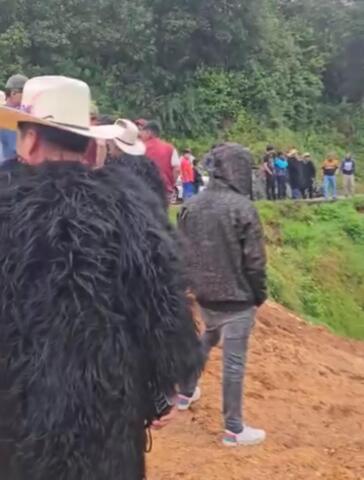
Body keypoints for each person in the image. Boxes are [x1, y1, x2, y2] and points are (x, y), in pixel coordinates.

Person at [0, 76, 201, 480]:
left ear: (31, 141)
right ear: (91, 145)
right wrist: (164, 393)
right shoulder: (131, 210)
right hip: (105, 426)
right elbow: (166, 316)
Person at [178, 143, 267, 447]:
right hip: (237, 297)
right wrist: (259, 295)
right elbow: (255, 261)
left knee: (208, 337)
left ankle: (184, 391)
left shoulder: (191, 205)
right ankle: (233, 429)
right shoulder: (243, 208)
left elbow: (183, 252)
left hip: (204, 294)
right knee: (233, 363)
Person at [140, 120, 180, 202]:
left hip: (145, 187)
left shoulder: (141, 148)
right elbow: (177, 169)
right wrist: (171, 183)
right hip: (165, 189)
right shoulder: (170, 148)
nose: (140, 134)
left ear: (148, 132)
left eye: (142, 131)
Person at [0, 74, 28, 163]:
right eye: (26, 93)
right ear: (13, 93)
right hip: (9, 168)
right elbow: (18, 150)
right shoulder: (9, 116)